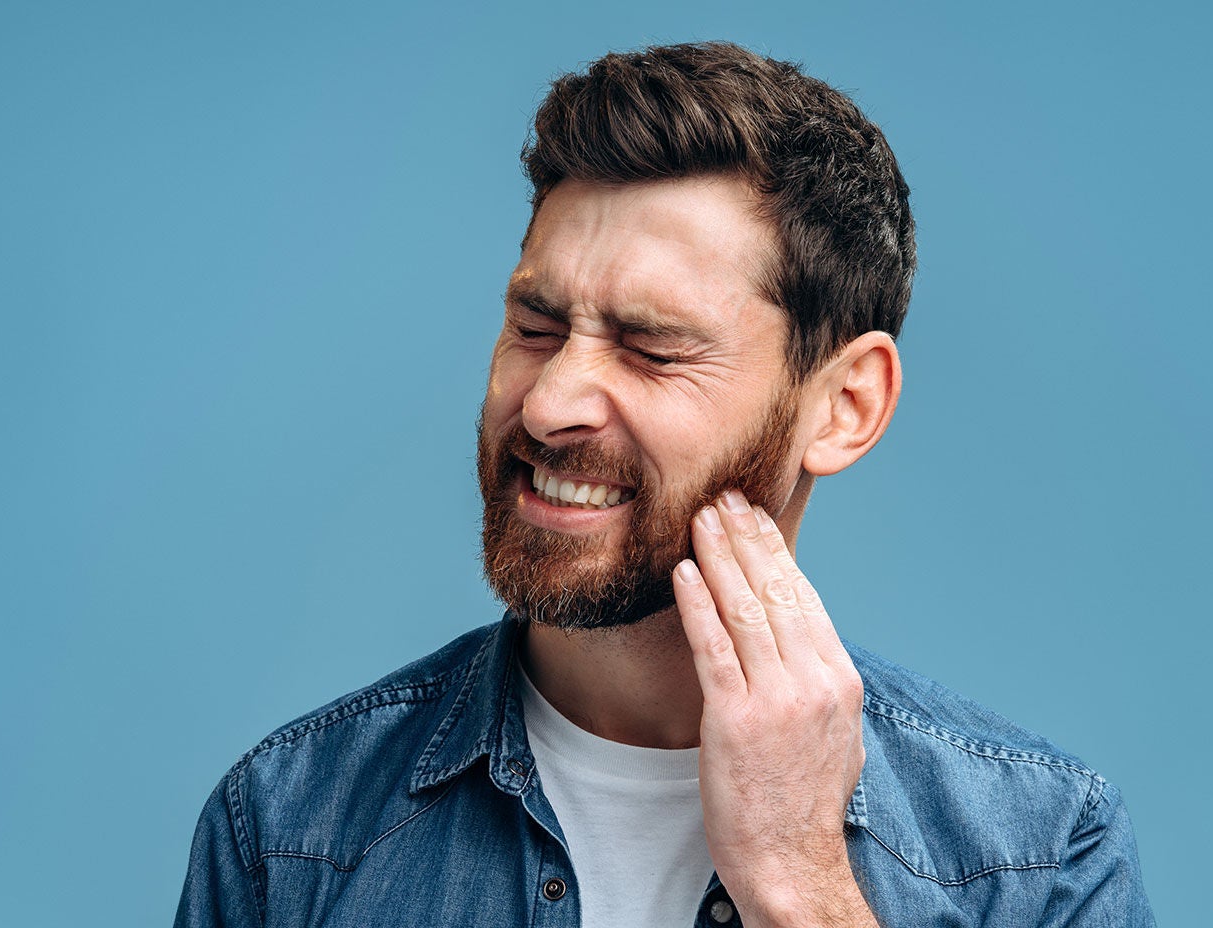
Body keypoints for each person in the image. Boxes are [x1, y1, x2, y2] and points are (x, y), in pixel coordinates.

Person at [174, 41, 1154, 928]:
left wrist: (800, 881)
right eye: (537, 327)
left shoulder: (1039, 860)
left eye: (651, 347)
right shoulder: (287, 829)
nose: (554, 401)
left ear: (845, 405)